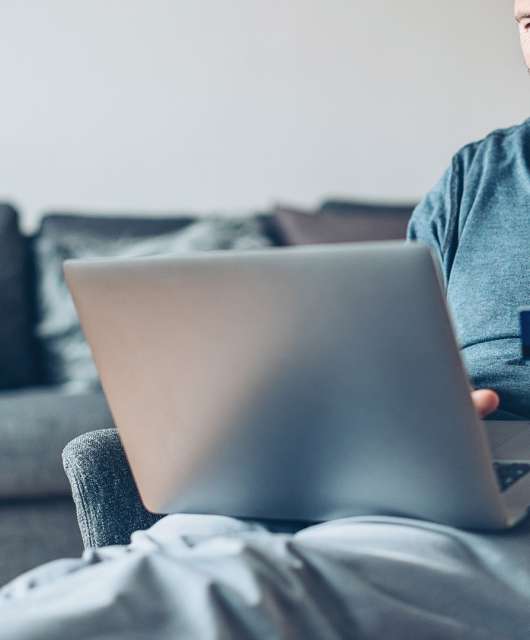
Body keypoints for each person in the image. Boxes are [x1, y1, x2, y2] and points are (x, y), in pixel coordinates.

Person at [1, 2, 530, 638]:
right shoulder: (478, 174)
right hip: (439, 469)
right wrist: (396, 412)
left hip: (492, 521)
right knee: (168, 551)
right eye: (529, 21)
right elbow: (407, 351)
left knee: (236, 593)